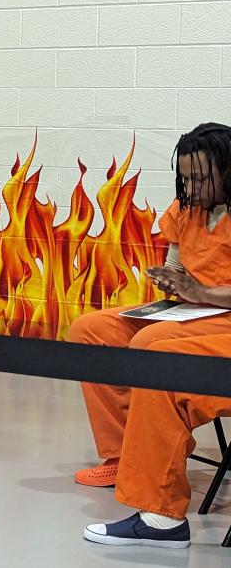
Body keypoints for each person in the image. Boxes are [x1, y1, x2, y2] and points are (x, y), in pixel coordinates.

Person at [69, 123, 231, 548]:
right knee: (90, 331)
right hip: (190, 311)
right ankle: (124, 459)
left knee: (151, 350)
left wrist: (204, 292)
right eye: (185, 177)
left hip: (224, 317)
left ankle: (158, 509)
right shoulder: (185, 209)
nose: (191, 187)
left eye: (201, 178)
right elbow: (177, 262)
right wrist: (173, 280)